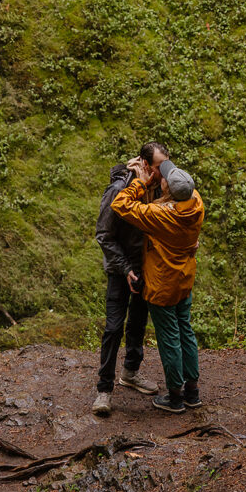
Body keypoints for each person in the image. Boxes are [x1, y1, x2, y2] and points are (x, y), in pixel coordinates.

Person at [111, 158, 204, 414]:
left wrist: (140, 183)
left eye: (164, 178)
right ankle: (192, 391)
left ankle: (175, 396)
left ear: (167, 190)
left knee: (170, 339)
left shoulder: (160, 215)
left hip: (163, 285)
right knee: (186, 330)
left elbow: (120, 205)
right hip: (184, 279)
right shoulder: (195, 202)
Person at [92, 141, 170, 417]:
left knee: (137, 322)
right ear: (146, 165)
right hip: (120, 269)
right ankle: (104, 390)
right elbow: (104, 235)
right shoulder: (119, 190)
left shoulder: (158, 186)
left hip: (145, 264)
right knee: (114, 327)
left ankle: (130, 372)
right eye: (160, 167)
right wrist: (125, 269)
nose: (166, 172)